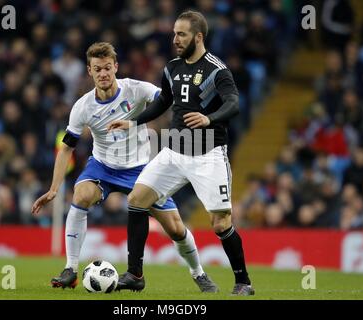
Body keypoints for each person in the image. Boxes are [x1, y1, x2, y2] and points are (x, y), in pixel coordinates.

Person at [31, 42, 217, 293]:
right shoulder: (83, 107)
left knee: (174, 227)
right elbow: (66, 148)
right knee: (81, 194)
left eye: (108, 67)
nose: (104, 73)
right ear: (90, 71)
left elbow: (166, 98)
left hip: (141, 169)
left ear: (115, 67)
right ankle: (71, 270)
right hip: (103, 168)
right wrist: (54, 188)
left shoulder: (136, 90)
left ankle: (199, 273)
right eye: (98, 69)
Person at [108, 11, 254, 296]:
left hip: (208, 154)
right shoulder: (172, 67)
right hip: (174, 150)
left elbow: (234, 103)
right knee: (137, 199)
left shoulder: (216, 69)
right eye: (174, 33)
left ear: (198, 37)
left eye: (182, 34)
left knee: (221, 222)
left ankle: (243, 282)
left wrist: (209, 119)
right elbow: (164, 100)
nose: (175, 39)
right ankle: (135, 274)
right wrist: (133, 120)